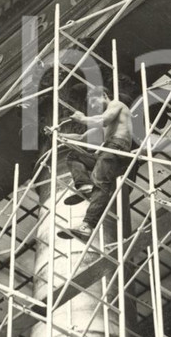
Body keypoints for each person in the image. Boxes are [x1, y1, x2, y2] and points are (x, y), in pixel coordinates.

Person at [57, 86, 134, 241]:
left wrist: (82, 118)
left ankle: (87, 225)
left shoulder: (116, 105)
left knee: (100, 183)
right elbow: (81, 138)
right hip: (108, 150)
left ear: (104, 95)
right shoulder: (110, 124)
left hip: (116, 148)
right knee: (74, 156)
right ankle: (85, 186)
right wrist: (58, 135)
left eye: (94, 101)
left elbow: (103, 119)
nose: (94, 107)